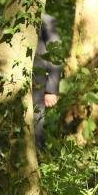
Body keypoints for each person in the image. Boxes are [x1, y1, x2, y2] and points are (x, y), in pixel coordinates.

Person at [33, 14, 63, 150]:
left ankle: (38, 157)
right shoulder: (3, 20)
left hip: (37, 81)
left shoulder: (45, 21)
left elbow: (55, 54)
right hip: (11, 82)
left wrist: (51, 89)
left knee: (35, 123)